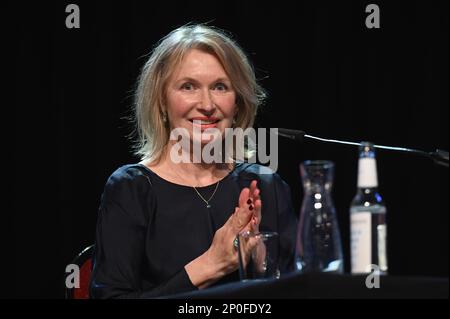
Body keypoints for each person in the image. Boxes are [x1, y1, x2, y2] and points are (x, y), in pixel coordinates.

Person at [89, 24, 297, 299]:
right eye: (188, 86)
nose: (207, 104)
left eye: (220, 87)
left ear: (237, 104)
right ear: (161, 101)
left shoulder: (266, 186)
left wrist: (261, 263)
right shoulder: (131, 189)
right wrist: (210, 265)